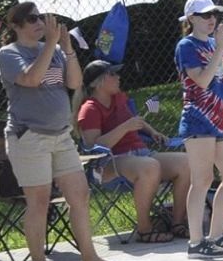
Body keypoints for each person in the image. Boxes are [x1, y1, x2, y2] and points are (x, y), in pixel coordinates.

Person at [0, 1, 121, 261]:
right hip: (29, 136)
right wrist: (51, 45)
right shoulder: (9, 53)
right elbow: (31, 79)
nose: (40, 23)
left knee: (80, 194)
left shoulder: (53, 50)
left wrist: (66, 49)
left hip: (61, 135)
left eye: (41, 17)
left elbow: (74, 83)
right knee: (39, 201)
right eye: (32, 19)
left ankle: (90, 259)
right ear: (16, 25)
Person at [77, 59, 194, 243]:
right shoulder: (89, 109)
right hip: (108, 164)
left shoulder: (119, 98)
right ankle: (144, 229)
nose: (118, 77)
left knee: (186, 162)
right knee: (149, 166)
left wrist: (152, 131)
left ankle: (177, 222)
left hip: (141, 155)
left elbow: (135, 120)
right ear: (97, 83)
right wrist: (124, 128)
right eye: (112, 74)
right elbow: (93, 147)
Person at [174, 0, 223, 258]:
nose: (212, 19)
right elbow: (202, 81)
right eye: (205, 15)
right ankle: (196, 243)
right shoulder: (186, 46)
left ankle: (216, 235)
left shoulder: (214, 43)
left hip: (222, 120)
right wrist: (220, 48)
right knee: (203, 180)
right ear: (191, 18)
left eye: (214, 14)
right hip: (199, 121)